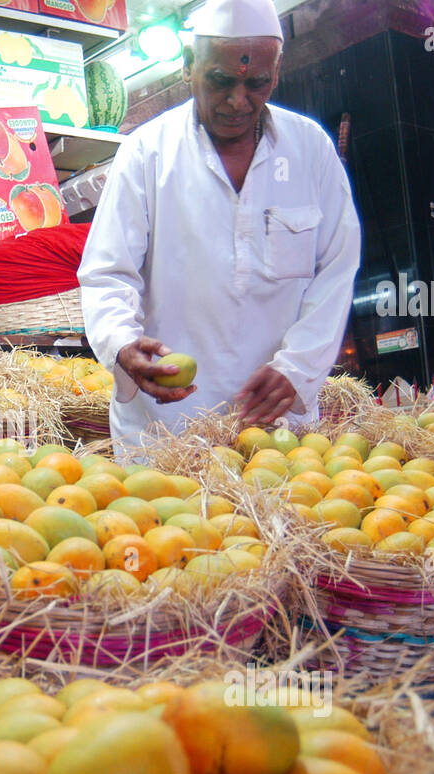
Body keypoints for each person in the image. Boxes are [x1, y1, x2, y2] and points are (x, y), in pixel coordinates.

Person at [78, 0, 361, 452]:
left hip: (278, 429)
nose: (238, 100)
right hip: (167, 431)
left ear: (277, 70)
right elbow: (107, 274)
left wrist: (299, 367)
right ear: (189, 66)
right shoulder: (146, 153)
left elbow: (336, 271)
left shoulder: (311, 151)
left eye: (257, 83)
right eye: (221, 81)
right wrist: (123, 344)